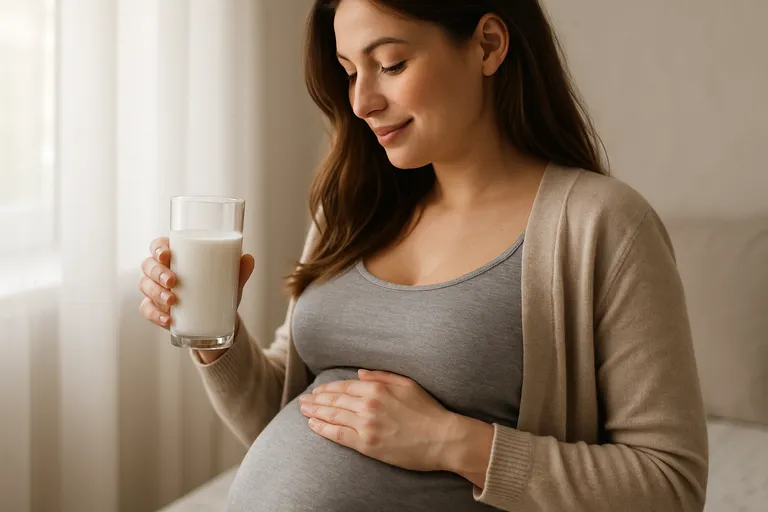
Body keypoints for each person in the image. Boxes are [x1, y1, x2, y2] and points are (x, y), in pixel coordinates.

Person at [139, 0, 709, 510]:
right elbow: (290, 411)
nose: (362, 101)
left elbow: (670, 483)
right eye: (348, 73)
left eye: (389, 64)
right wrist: (217, 337)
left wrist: (449, 441)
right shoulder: (350, 209)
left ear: (488, 45)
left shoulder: (601, 225)